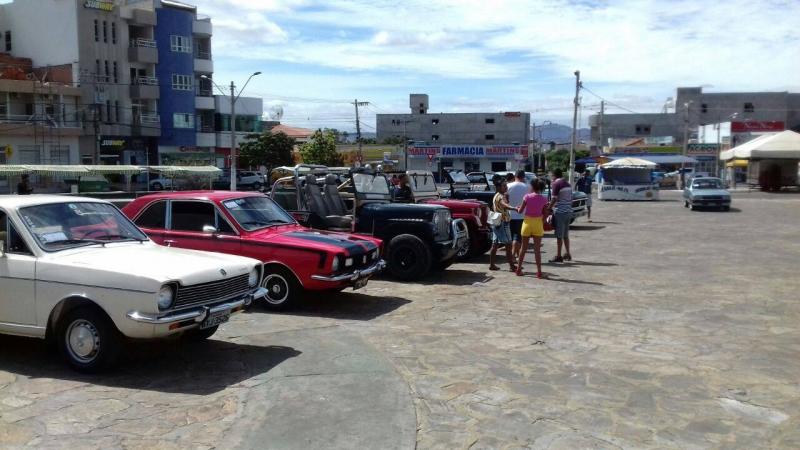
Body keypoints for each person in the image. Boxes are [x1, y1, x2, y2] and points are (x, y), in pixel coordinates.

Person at [516, 179, 548, 278]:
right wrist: (541, 222)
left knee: (523, 249)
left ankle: (518, 269)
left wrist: (517, 208)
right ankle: (539, 272)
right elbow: (545, 213)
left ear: (533, 187)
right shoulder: (544, 199)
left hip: (527, 223)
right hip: (537, 224)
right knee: (537, 250)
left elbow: (520, 211)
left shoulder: (527, 197)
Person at [489, 180, 516, 272]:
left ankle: (492, 265)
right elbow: (504, 205)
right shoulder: (500, 196)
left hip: (497, 223)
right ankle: (512, 266)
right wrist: (515, 208)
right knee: (508, 244)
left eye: (506, 186)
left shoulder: (497, 195)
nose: (506, 187)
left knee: (495, 244)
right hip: (503, 223)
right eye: (504, 186)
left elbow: (502, 205)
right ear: (498, 187)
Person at [549, 168, 573, 263]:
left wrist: (549, 207)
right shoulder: (567, 184)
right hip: (568, 211)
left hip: (561, 212)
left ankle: (559, 256)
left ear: (554, 175)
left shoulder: (556, 184)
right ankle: (568, 253)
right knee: (565, 235)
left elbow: (554, 198)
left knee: (559, 236)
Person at [506, 170, 528, 259]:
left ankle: (516, 255)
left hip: (509, 215)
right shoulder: (527, 187)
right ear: (523, 177)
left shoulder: (508, 186)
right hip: (521, 215)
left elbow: (505, 200)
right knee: (517, 237)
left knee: (511, 238)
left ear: (515, 176)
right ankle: (513, 255)